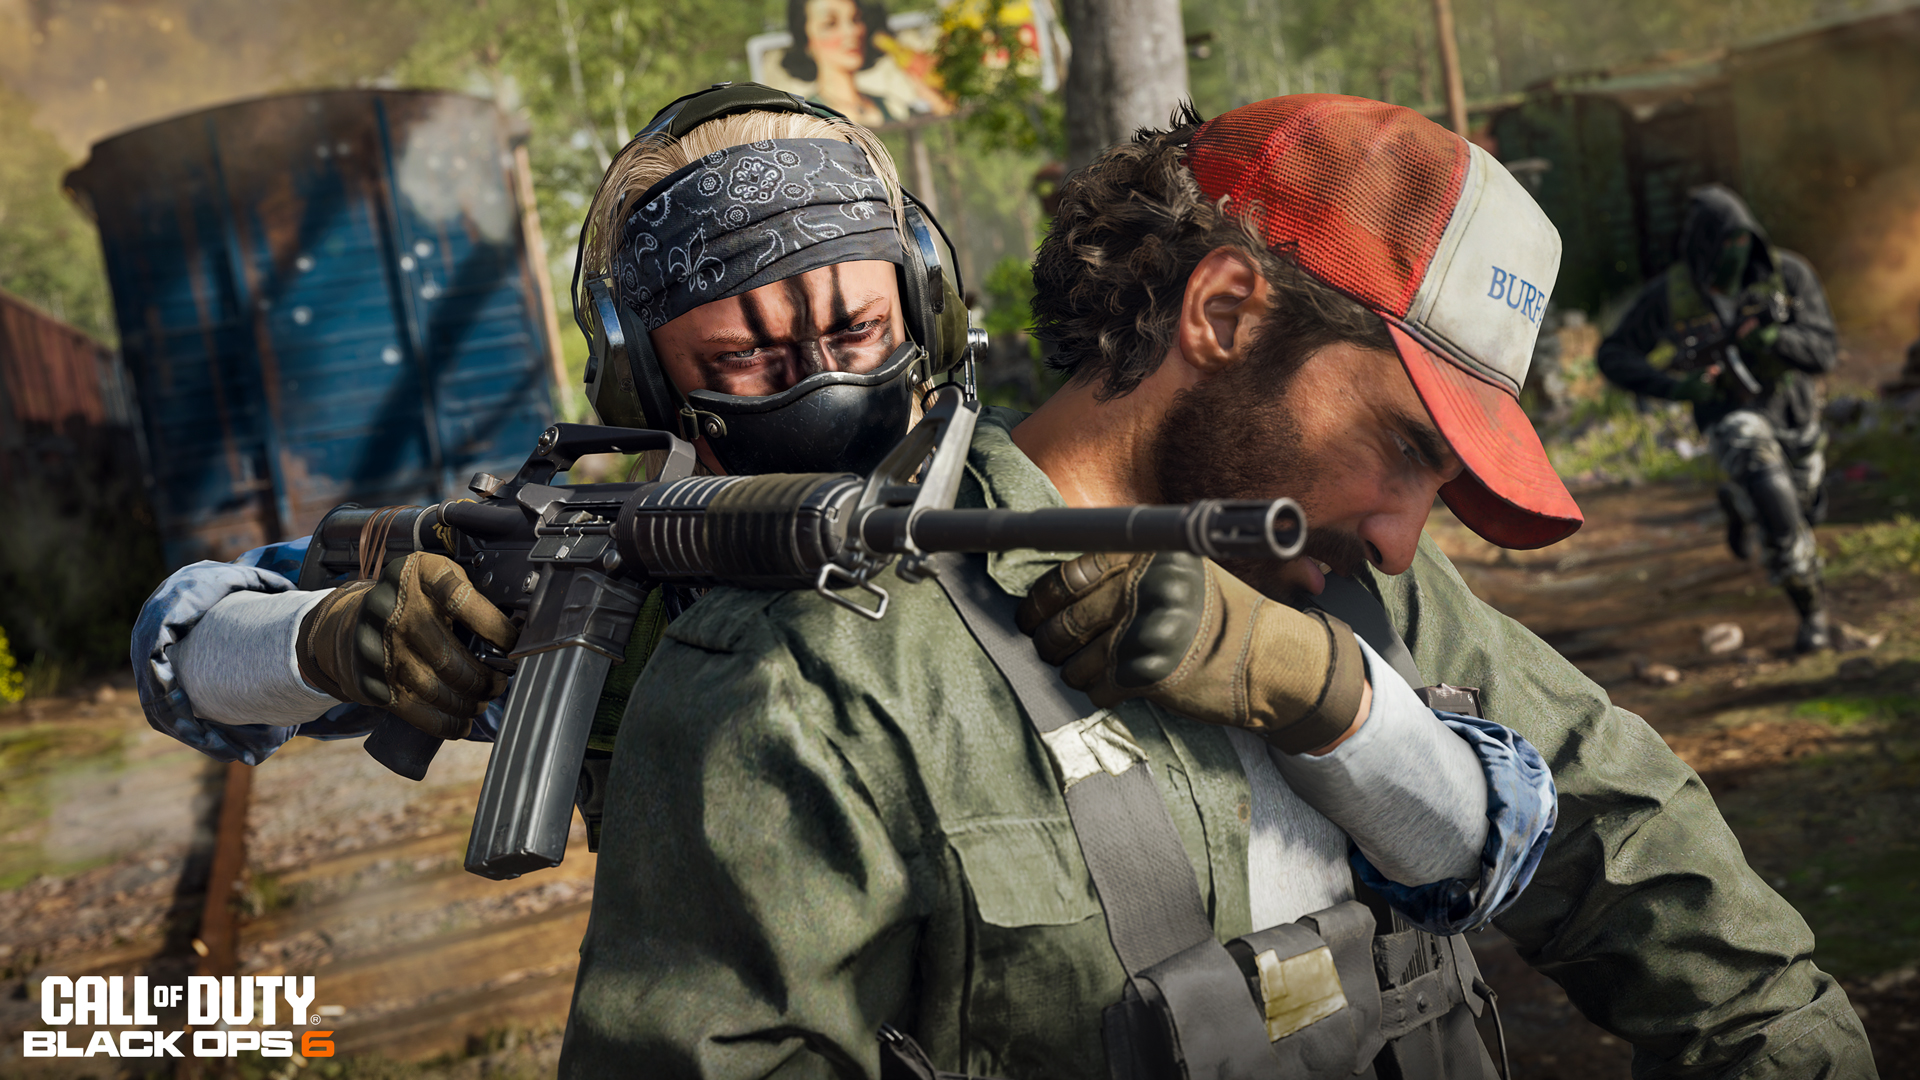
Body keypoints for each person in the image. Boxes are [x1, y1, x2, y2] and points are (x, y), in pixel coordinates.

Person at [561, 98, 1872, 1076]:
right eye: (1406, 447)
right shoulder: (816, 682)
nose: (1411, 541)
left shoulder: (1363, 596)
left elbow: (1640, 860)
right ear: (1227, 313)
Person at [129, 85, 956, 769]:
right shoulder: (618, 579)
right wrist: (331, 640)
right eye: (743, 355)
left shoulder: (1029, 505)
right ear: (645, 389)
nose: (825, 389)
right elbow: (191, 657)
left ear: (928, 317)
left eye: (857, 332)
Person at [1598, 184, 1839, 652]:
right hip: (1730, 416)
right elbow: (1614, 353)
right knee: (1777, 506)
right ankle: (1814, 614)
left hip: (1794, 414)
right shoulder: (1674, 294)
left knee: (1804, 506)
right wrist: (1676, 387)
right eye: (1724, 242)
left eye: (1741, 240)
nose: (1735, 251)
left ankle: (1738, 500)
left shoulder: (1787, 276)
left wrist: (1772, 339)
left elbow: (1824, 350)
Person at [770, 0, 951, 126]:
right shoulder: (806, 119)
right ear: (806, 39)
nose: (852, 31)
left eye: (855, 19)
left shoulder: (892, 106)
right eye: (830, 24)